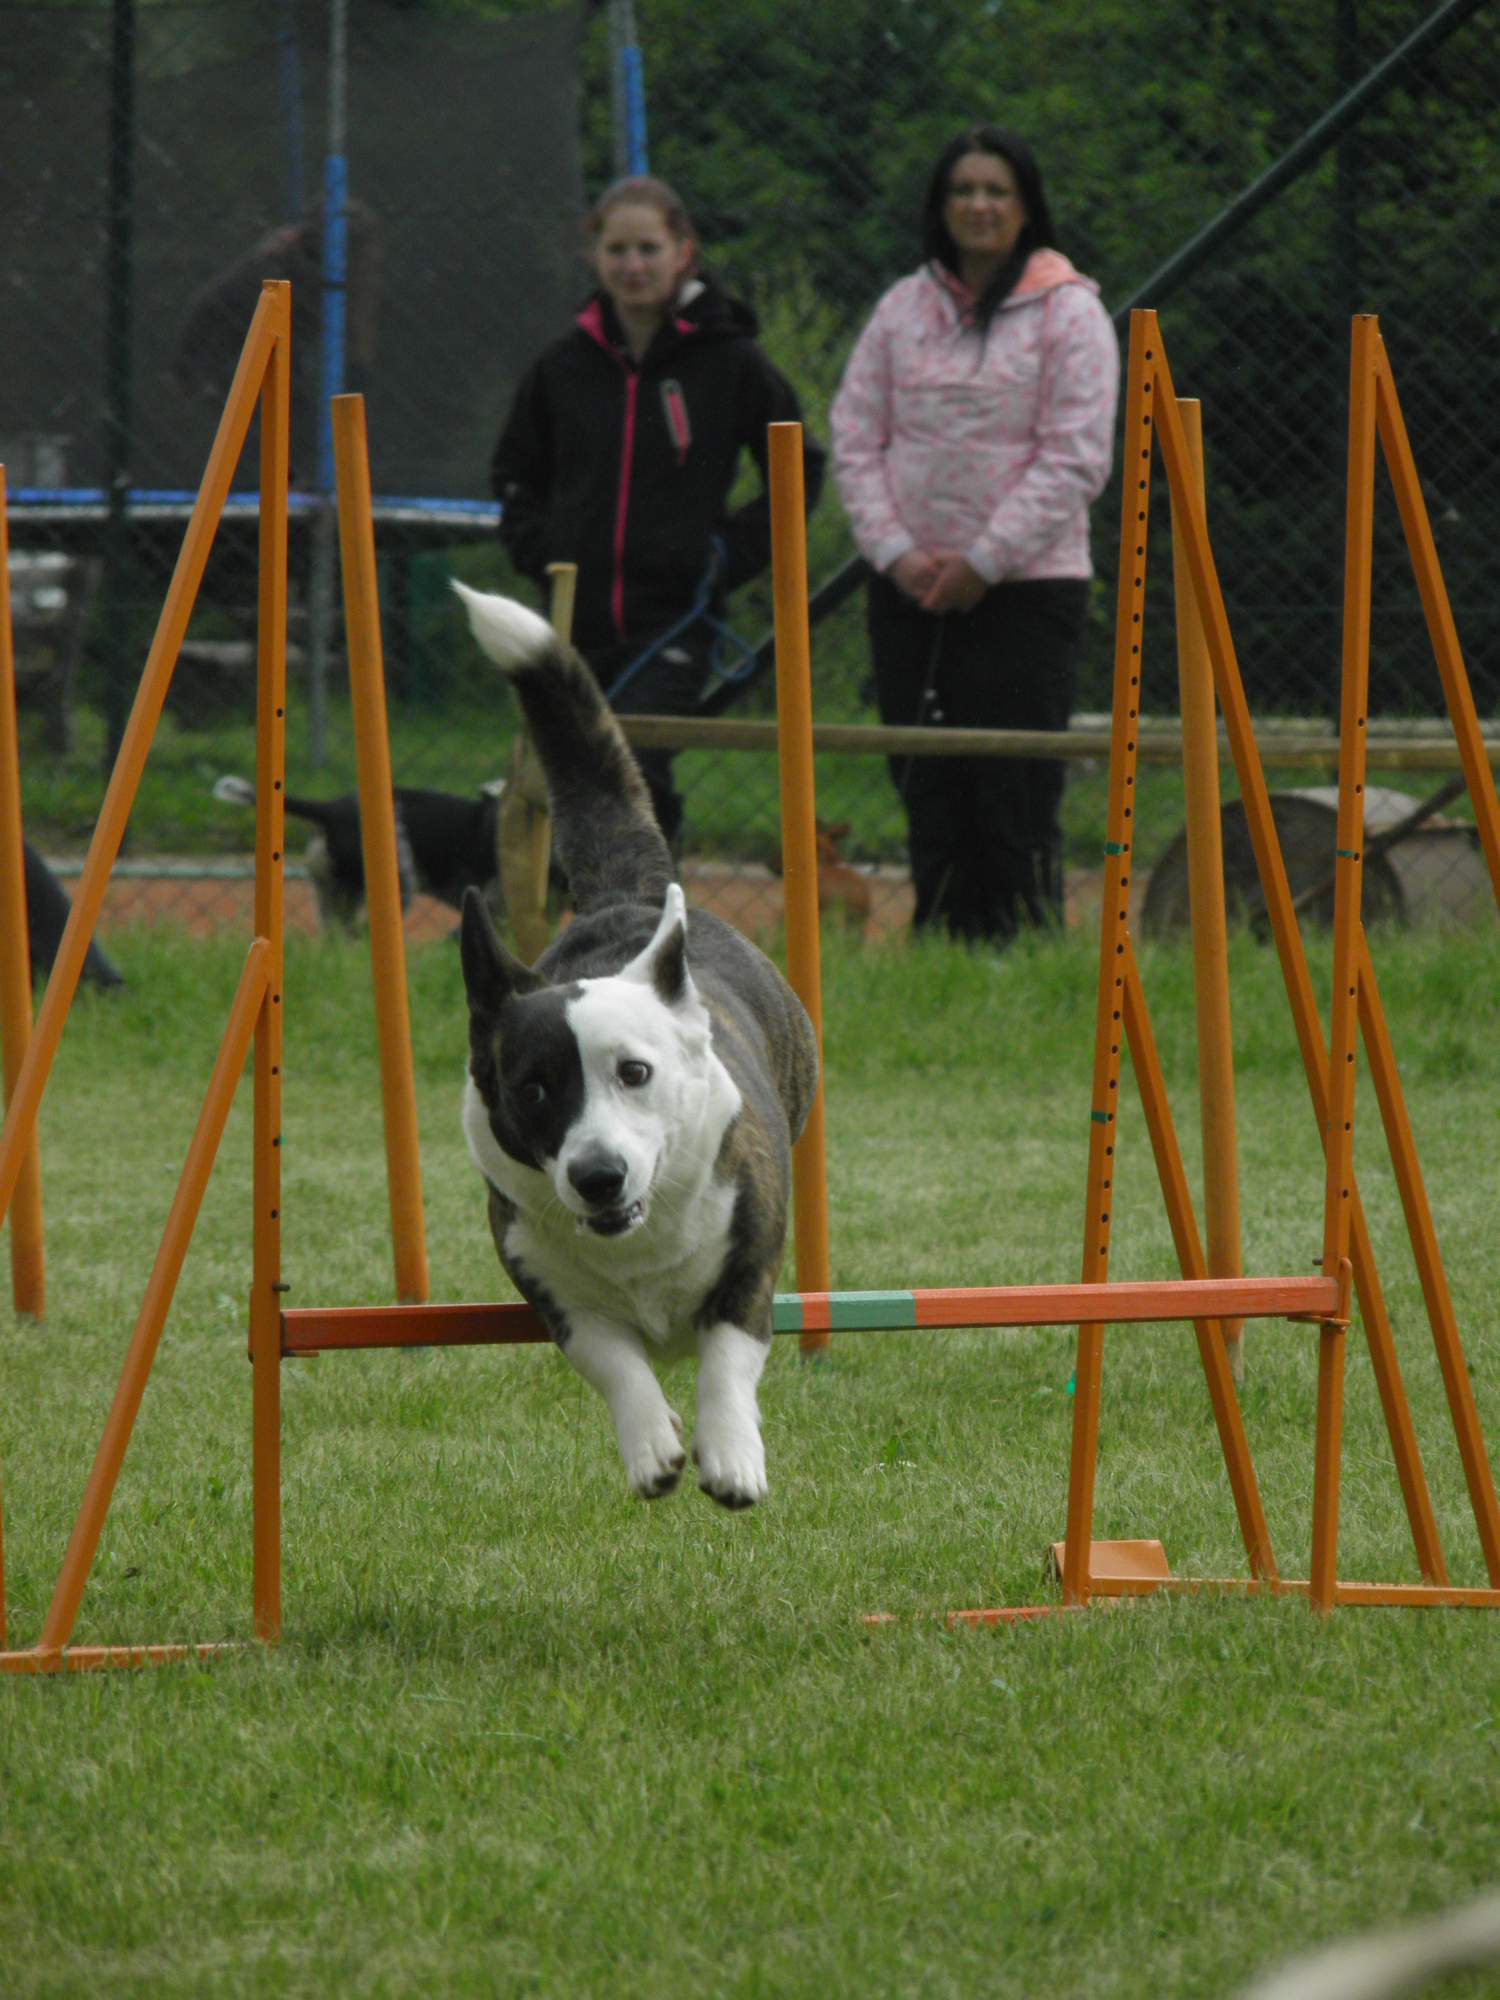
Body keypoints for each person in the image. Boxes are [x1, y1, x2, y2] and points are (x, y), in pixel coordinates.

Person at [830, 126, 1119, 947]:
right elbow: (855, 435)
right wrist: (897, 554)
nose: (980, 206)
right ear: (941, 206)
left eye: (997, 191)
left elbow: (1076, 457)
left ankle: (1023, 944)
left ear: (1026, 206)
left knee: (1012, 784)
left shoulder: (1071, 312)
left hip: (1027, 592)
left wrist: (983, 563)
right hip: (908, 589)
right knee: (927, 778)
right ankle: (940, 944)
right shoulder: (900, 309)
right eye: (964, 191)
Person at [491, 175, 824, 849]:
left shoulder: (731, 362)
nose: (633, 266)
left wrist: (726, 556)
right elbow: (513, 475)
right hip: (573, 617)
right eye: (617, 250)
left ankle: (646, 920)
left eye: (649, 248)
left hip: (674, 616)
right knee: (572, 773)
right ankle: (600, 925)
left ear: (684, 253)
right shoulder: (561, 367)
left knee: (633, 765)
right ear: (595, 256)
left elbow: (800, 469)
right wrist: (540, 548)